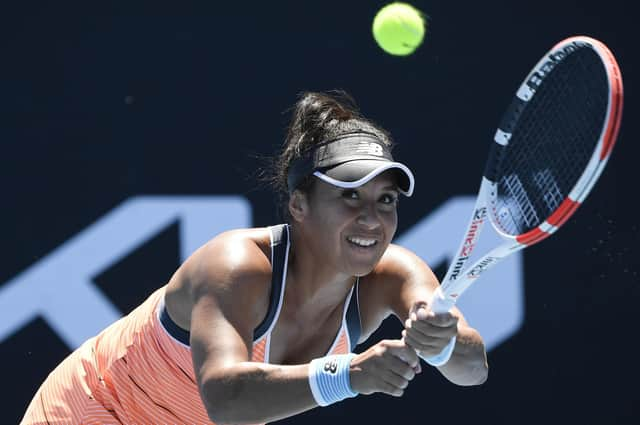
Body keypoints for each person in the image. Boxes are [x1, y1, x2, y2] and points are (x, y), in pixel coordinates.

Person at [21, 91, 488, 425]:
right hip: (93, 412)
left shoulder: (395, 273)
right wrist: (350, 373)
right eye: (349, 197)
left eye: (385, 200)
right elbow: (227, 400)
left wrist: (443, 343)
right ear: (299, 205)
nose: (372, 219)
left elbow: (472, 372)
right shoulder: (234, 265)